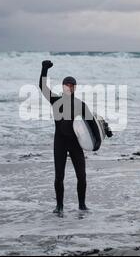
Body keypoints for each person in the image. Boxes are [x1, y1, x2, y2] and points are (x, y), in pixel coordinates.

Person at [39, 60, 100, 215]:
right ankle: (59, 206)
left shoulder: (80, 104)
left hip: (75, 143)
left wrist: (97, 141)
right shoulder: (56, 100)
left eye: (72, 85)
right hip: (60, 142)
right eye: (67, 85)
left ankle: (82, 205)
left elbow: (92, 123)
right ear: (63, 87)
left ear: (75, 88)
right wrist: (44, 69)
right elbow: (42, 87)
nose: (69, 87)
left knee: (82, 175)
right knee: (59, 176)